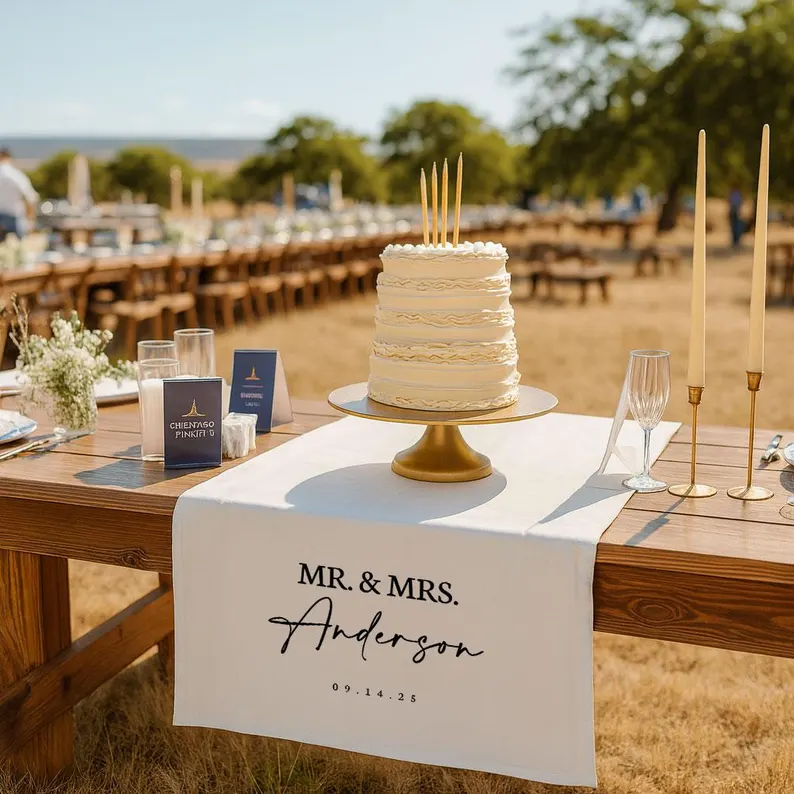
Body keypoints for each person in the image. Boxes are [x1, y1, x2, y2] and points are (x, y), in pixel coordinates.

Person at [0, 148, 38, 242]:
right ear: (9, 158)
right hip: (14, 216)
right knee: (20, 250)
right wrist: (31, 220)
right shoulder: (16, 175)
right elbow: (31, 197)